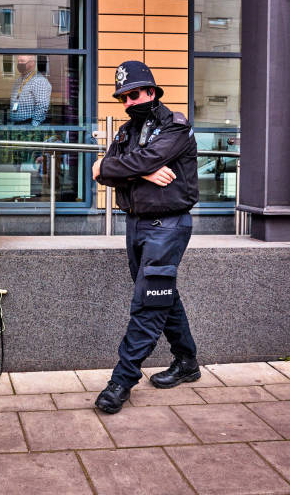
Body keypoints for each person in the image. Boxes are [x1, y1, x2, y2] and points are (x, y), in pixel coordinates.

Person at [91, 60, 200, 414]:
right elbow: (104, 168)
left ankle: (121, 381)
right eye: (122, 97)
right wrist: (146, 173)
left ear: (151, 91)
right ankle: (187, 363)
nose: (127, 102)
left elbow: (113, 167)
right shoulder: (124, 132)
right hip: (136, 224)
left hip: (167, 226)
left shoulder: (175, 127)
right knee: (161, 292)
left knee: (149, 301)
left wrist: (132, 168)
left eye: (133, 94)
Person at [9, 55, 51, 126]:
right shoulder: (19, 80)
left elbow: (42, 105)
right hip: (16, 125)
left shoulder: (39, 80)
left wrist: (33, 126)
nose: (19, 63)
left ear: (32, 63)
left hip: (28, 125)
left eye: (22, 61)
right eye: (18, 61)